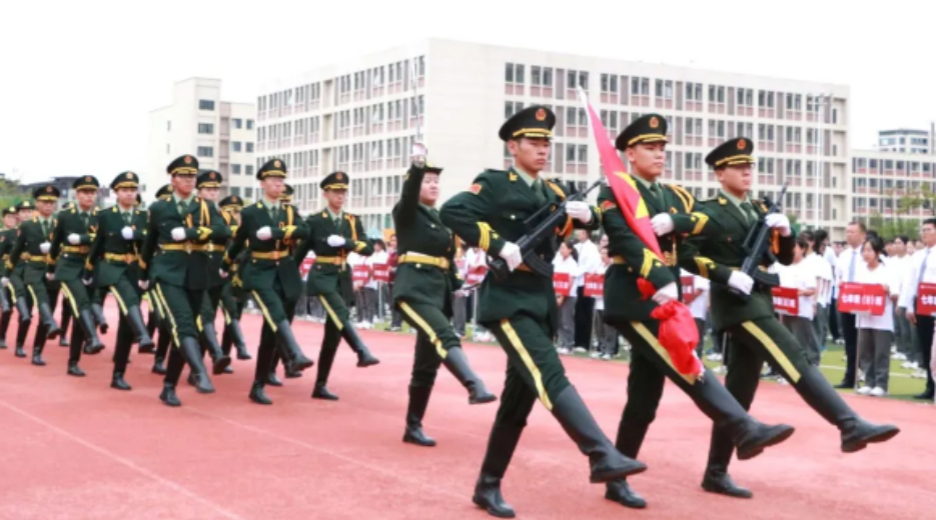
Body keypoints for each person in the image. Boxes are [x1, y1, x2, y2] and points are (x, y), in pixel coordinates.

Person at [440, 105, 647, 518]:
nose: (542, 149)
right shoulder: (495, 183)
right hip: (509, 305)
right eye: (533, 142)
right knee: (550, 373)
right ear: (512, 146)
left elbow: (562, 231)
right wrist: (498, 245)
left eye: (546, 142)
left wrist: (582, 219)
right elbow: (452, 211)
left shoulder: (552, 192)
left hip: (540, 303)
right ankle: (600, 452)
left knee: (517, 403)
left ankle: (488, 485)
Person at [680, 137, 900, 497]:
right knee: (793, 356)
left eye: (749, 166)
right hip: (737, 305)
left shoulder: (758, 209)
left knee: (738, 391)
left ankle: (715, 471)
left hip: (760, 300)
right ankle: (848, 425)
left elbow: (781, 259)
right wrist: (724, 274)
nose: (747, 171)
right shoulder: (708, 211)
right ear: (720, 174)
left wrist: (785, 232)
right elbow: (684, 254)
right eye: (738, 167)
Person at [598, 119, 793, 508]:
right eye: (649, 148)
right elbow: (624, 241)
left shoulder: (677, 197)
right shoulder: (616, 191)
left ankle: (615, 474)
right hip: (634, 296)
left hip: (666, 295)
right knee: (685, 359)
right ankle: (742, 426)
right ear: (629, 154)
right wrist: (657, 276)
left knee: (644, 397)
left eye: (662, 147)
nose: (659, 154)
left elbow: (694, 238)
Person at [391, 153, 496, 447]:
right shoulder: (406, 211)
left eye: (437, 180)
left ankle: (413, 426)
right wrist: (416, 168)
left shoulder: (439, 218)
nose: (434, 185)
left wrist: (459, 284)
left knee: (427, 364)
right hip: (414, 290)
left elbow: (446, 260)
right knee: (444, 335)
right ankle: (473, 384)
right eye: (428, 180)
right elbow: (409, 193)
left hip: (437, 293)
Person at [221, 158, 316, 405]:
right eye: (273, 179)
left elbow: (305, 231)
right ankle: (295, 353)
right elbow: (240, 240)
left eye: (281, 179)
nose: (278, 183)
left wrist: (278, 233)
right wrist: (225, 264)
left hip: (284, 270)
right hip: (260, 270)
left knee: (270, 333)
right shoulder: (251, 213)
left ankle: (258, 385)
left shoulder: (289, 210)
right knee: (274, 311)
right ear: (263, 183)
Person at [139, 154, 231, 406]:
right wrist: (143, 274)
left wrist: (192, 232)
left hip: (197, 272)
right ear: (173, 179)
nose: (189, 180)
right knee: (183, 324)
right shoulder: (159, 207)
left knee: (186, 328)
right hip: (167, 271)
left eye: (192, 176)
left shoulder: (207, 206)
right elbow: (148, 244)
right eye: (183, 176)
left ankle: (169, 386)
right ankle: (200, 373)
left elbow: (224, 231)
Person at [292, 170, 380, 402]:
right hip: (322, 275)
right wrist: (288, 277)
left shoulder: (352, 221)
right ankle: (361, 350)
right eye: (336, 191)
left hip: (342, 276)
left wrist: (347, 243)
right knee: (340, 312)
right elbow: (299, 253)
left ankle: (320, 384)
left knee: (333, 333)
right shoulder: (315, 221)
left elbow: (368, 248)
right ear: (326, 193)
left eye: (343, 192)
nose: (340, 196)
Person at [83, 172, 154, 388]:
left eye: (133, 190)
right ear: (116, 193)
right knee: (130, 299)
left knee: (125, 323)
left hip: (134, 268)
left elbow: (151, 241)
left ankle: (118, 374)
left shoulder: (144, 216)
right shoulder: (105, 215)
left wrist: (137, 235)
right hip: (111, 267)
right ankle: (144, 335)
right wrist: (89, 268)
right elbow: (97, 244)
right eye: (125, 190)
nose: (130, 193)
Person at [48, 176, 108, 377]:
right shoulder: (65, 215)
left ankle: (73, 361)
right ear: (77, 194)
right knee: (81, 302)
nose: (89, 196)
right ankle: (93, 338)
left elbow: (105, 238)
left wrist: (83, 238)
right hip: (68, 266)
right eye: (85, 192)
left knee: (81, 314)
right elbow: (55, 242)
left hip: (90, 265)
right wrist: (50, 267)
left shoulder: (102, 215)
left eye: (92, 192)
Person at [6, 185, 66, 365]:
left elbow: (68, 247)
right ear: (38, 203)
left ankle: (38, 351)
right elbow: (16, 251)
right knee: (32, 311)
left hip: (52, 272)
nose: (48, 206)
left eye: (52, 202)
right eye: (44, 202)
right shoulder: (27, 225)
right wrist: (7, 273)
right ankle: (20, 343)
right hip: (32, 271)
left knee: (47, 313)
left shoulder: (60, 224)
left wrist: (58, 249)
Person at [187, 169, 233, 382]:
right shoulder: (192, 210)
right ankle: (215, 354)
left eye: (215, 189)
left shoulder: (222, 213)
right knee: (203, 316)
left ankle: (197, 368)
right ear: (199, 190)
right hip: (194, 267)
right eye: (208, 189)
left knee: (208, 318)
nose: (213, 192)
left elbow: (229, 237)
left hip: (216, 270)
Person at [855, 235, 897, 397]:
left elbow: (895, 294)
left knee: (881, 352)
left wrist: (888, 290)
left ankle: (881, 383)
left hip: (882, 318)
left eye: (870, 250)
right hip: (864, 317)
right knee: (865, 351)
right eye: (864, 251)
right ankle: (869, 381)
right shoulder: (861, 271)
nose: (866, 254)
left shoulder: (887, 271)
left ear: (878, 252)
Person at [217, 194, 251, 364]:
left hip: (240, 276)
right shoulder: (220, 228)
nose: (235, 215)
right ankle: (240, 346)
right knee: (229, 311)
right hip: (221, 276)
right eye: (231, 211)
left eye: (238, 211)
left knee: (235, 314)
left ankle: (225, 353)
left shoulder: (244, 230)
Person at [0, 206, 19, 350]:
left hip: (12, 273)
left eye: (13, 217)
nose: (10, 220)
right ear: (3, 219)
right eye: (8, 217)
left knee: (8, 308)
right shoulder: (2, 234)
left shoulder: (19, 234)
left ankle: (2, 336)